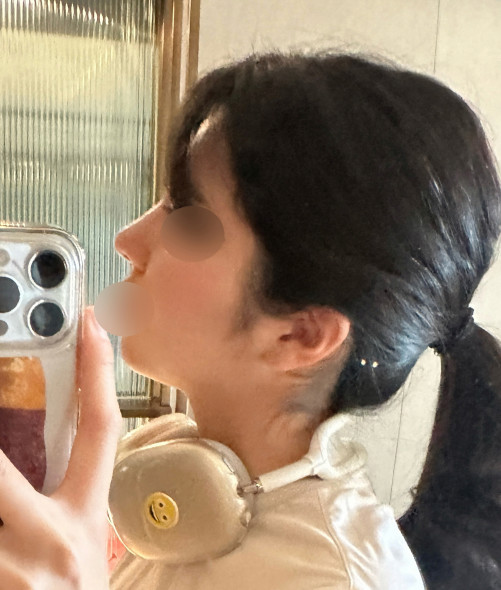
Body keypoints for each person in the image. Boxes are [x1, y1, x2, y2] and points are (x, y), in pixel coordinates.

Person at [0, 49, 500, 589]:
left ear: (300, 334)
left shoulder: (333, 580)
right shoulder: (168, 491)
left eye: (187, 219)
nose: (129, 240)